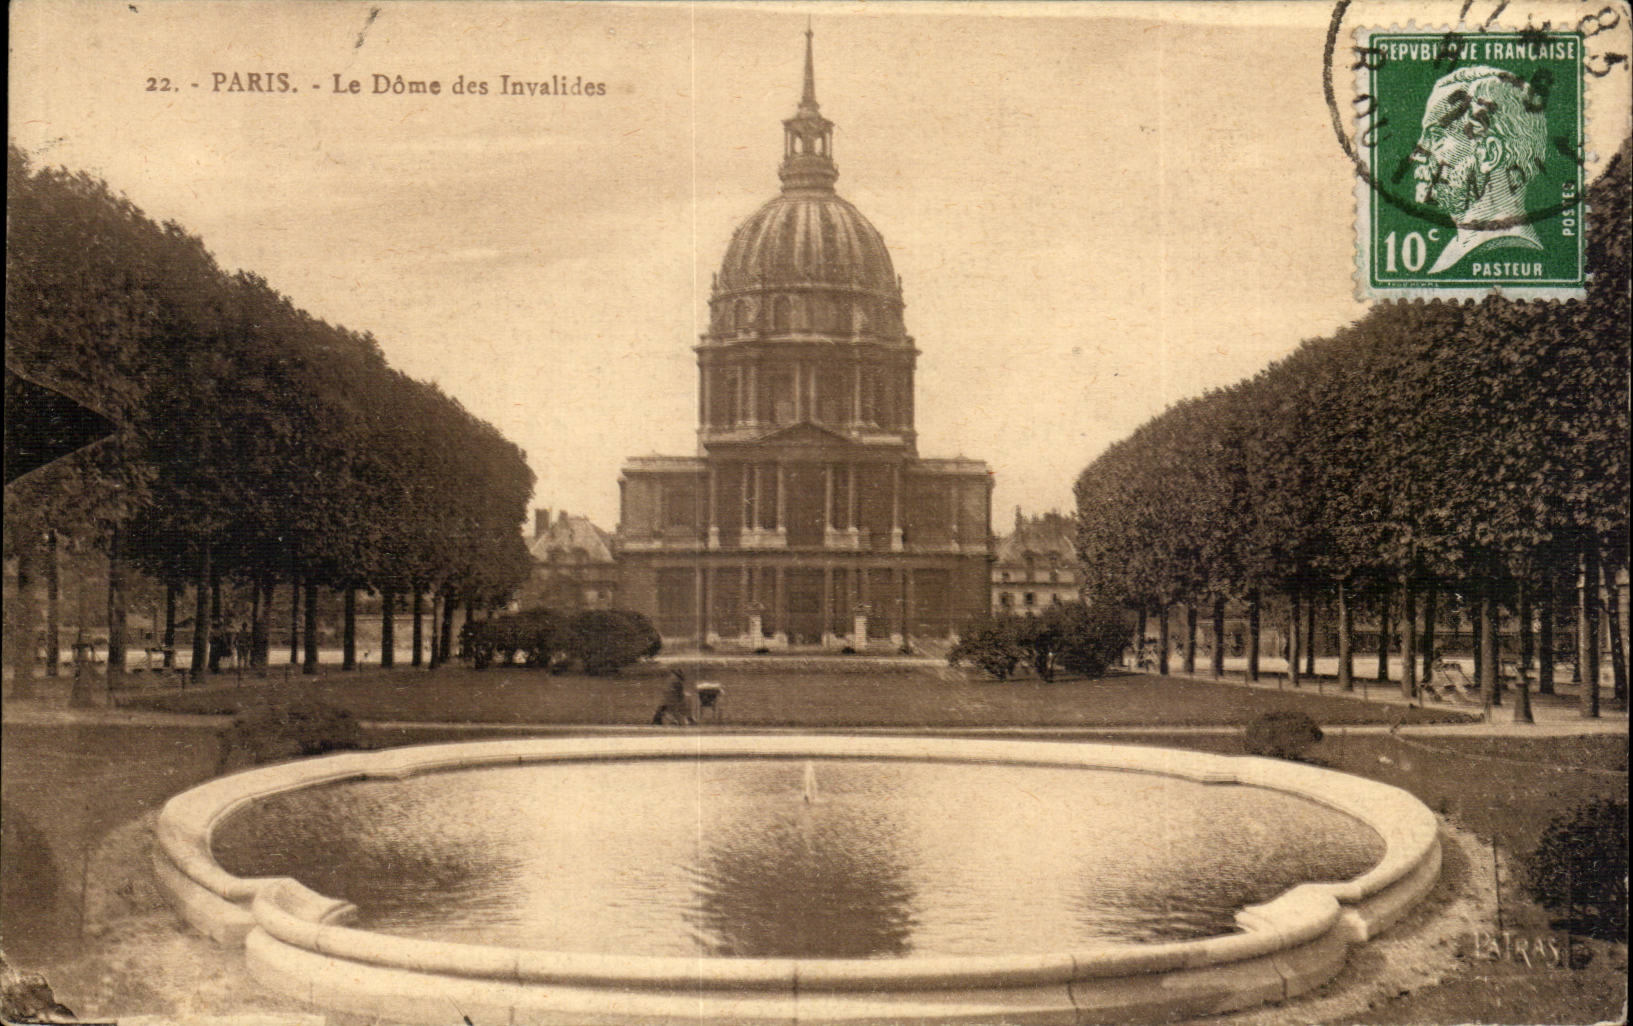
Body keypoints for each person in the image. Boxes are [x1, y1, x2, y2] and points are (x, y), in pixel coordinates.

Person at [1411, 65, 1548, 274]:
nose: (1417, 154)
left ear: (1489, 154)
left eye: (1437, 137)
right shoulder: (1461, 250)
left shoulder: (1508, 251)